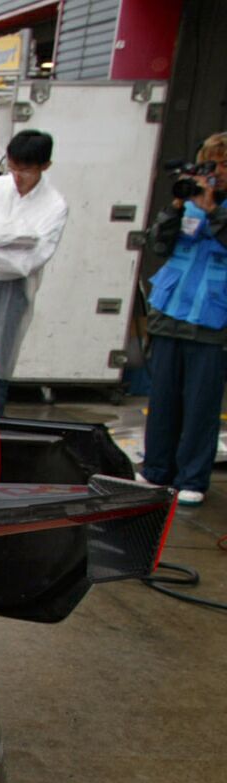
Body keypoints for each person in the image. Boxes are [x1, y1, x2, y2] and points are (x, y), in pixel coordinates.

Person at [138, 132, 227, 506]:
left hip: (212, 319)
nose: (215, 172)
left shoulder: (214, 206)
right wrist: (176, 207)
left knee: (201, 405)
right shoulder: (188, 201)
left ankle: (192, 477)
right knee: (162, 398)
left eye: (223, 165)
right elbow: (158, 244)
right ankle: (156, 469)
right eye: (210, 164)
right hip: (170, 312)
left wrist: (212, 210)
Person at [0, 129, 69, 415]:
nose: (17, 177)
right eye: (13, 168)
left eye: (25, 171)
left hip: (13, 289)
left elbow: (30, 260)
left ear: (45, 166)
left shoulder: (54, 205)